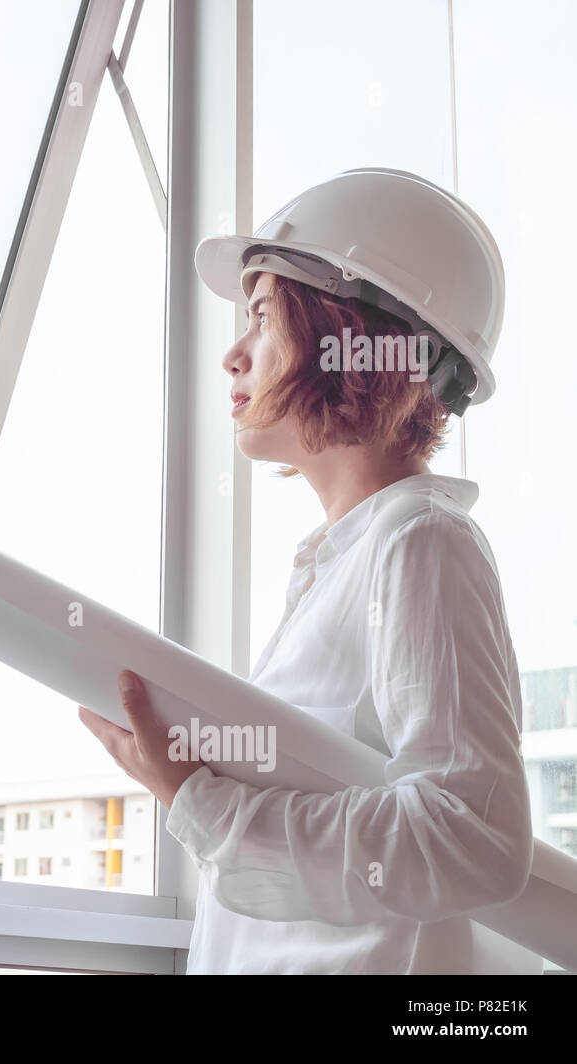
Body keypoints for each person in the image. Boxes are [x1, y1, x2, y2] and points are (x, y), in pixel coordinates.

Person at [78, 168, 539, 974]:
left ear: (350, 336)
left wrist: (202, 804)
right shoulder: (350, 562)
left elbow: (475, 837)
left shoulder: (421, 543)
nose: (233, 353)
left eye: (261, 316)